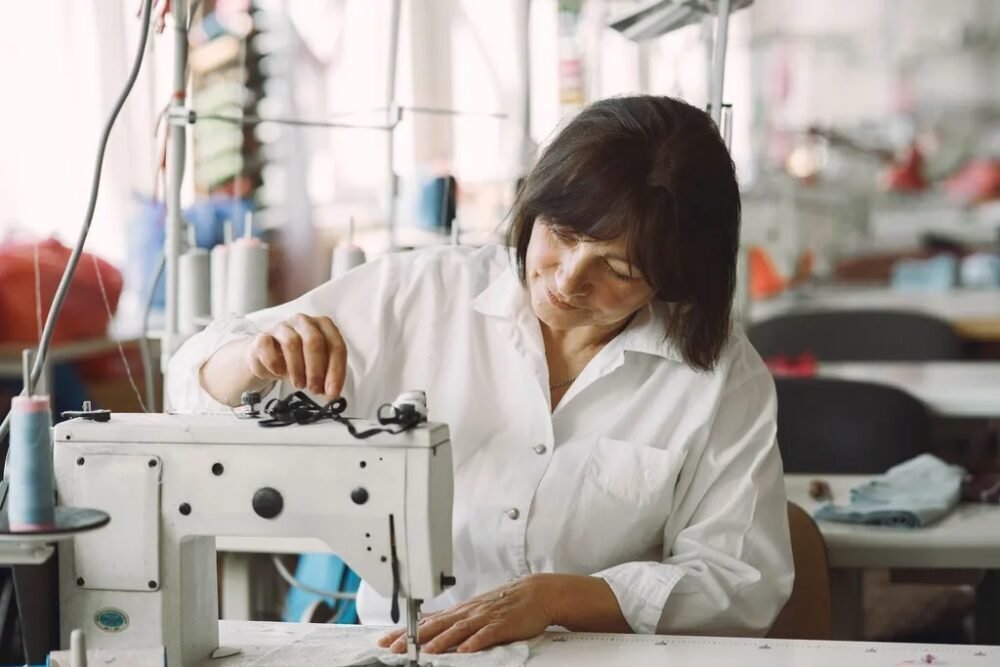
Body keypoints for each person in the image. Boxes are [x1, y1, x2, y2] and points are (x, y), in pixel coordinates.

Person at [167, 95, 793, 655]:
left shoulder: (718, 377)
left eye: (619, 270)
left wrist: (555, 598)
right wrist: (253, 359)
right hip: (406, 647)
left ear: (676, 276)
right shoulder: (419, 295)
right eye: (561, 233)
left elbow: (741, 582)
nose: (568, 279)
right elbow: (191, 388)